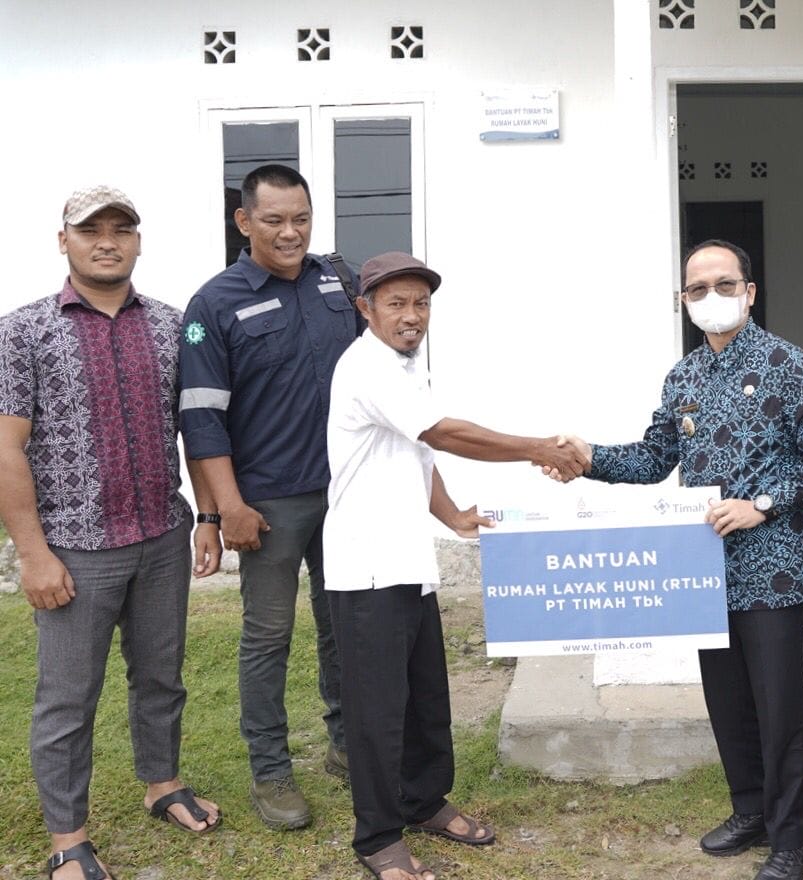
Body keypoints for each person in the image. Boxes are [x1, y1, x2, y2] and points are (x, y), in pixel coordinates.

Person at [559, 239, 803, 880]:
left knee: (779, 708)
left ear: (750, 291)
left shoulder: (787, 364)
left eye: (724, 285)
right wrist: (589, 458)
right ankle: (751, 810)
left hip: (773, 569)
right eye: (697, 289)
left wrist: (762, 504)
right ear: (683, 300)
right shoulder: (683, 377)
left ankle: (791, 838)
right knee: (728, 701)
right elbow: (654, 457)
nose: (711, 297)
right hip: (703, 572)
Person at [323, 251, 587, 880]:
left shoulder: (406, 366)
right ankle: (378, 836)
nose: (412, 315)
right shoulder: (367, 366)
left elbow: (418, 450)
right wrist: (538, 448)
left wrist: (452, 516)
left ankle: (423, 802)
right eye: (396, 304)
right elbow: (443, 434)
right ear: (365, 309)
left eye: (421, 303)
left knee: (424, 697)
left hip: (408, 561)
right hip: (367, 568)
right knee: (377, 711)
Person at [0, 186, 222, 880]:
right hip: (75, 546)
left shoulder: (171, 325)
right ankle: (68, 839)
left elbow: (196, 428)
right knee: (68, 699)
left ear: (138, 242)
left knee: (161, 675)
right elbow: (6, 447)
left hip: (161, 534)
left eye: (121, 229)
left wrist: (209, 515)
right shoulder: (22, 331)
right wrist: (33, 554)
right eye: (90, 229)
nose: (107, 241)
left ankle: (162, 784)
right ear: (62, 240)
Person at [178, 164, 358, 829]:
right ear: (244, 221)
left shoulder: (338, 281)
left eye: (301, 219)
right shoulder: (213, 304)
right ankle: (272, 771)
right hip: (268, 504)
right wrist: (227, 507)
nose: (290, 233)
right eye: (275, 220)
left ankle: (347, 745)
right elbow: (201, 418)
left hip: (346, 493)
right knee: (268, 636)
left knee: (345, 624)